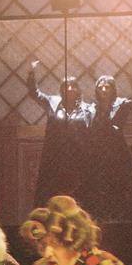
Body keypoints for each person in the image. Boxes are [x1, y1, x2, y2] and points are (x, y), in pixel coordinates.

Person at [28, 59, 93, 206]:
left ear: (78, 90)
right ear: (61, 90)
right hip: (55, 158)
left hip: (79, 158)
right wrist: (31, 72)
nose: (69, 89)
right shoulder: (52, 102)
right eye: (65, 86)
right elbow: (34, 93)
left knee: (79, 196)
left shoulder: (87, 109)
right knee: (54, 194)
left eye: (73, 86)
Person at [87, 75, 132, 221]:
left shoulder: (121, 104)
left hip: (118, 152)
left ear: (113, 89)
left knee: (121, 185)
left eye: (107, 87)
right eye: (100, 87)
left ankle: (125, 219)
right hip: (98, 153)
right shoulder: (92, 108)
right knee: (100, 186)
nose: (104, 90)